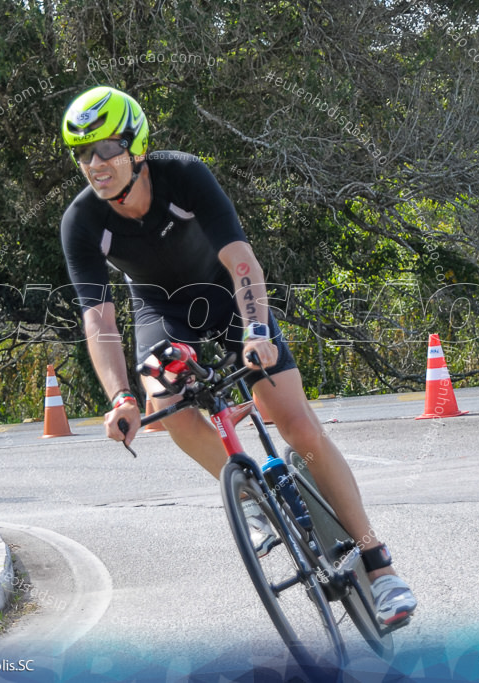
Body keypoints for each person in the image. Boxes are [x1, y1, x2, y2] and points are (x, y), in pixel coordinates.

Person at [58, 86, 417, 625]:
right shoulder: (82, 222)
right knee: (168, 403)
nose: (94, 164)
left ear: (136, 147)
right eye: (82, 154)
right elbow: (99, 319)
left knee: (297, 424)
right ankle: (247, 493)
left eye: (105, 149)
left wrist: (256, 329)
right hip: (163, 313)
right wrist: (118, 398)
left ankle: (378, 562)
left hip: (227, 299)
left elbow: (241, 259)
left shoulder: (184, 175)